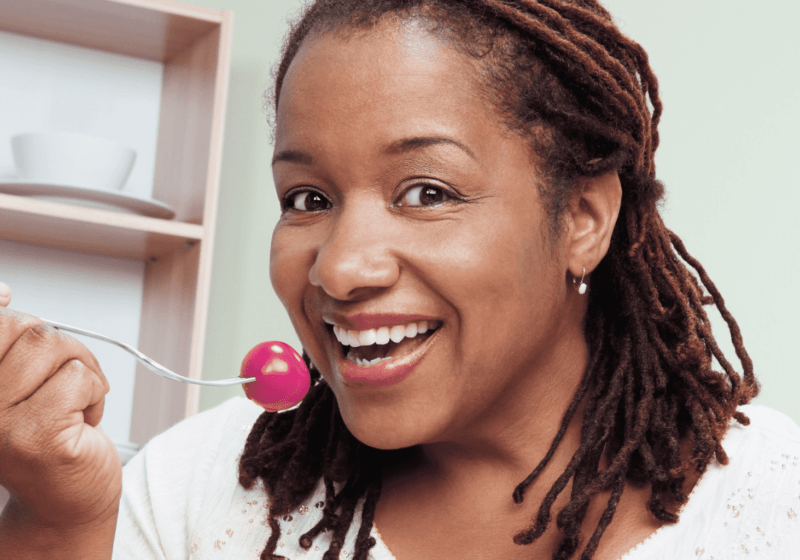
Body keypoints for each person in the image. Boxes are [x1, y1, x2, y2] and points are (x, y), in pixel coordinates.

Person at [1, 0, 799, 558]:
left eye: (427, 192)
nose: (341, 268)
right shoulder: (186, 489)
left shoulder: (776, 504)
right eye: (307, 198)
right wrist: (52, 522)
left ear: (583, 219)